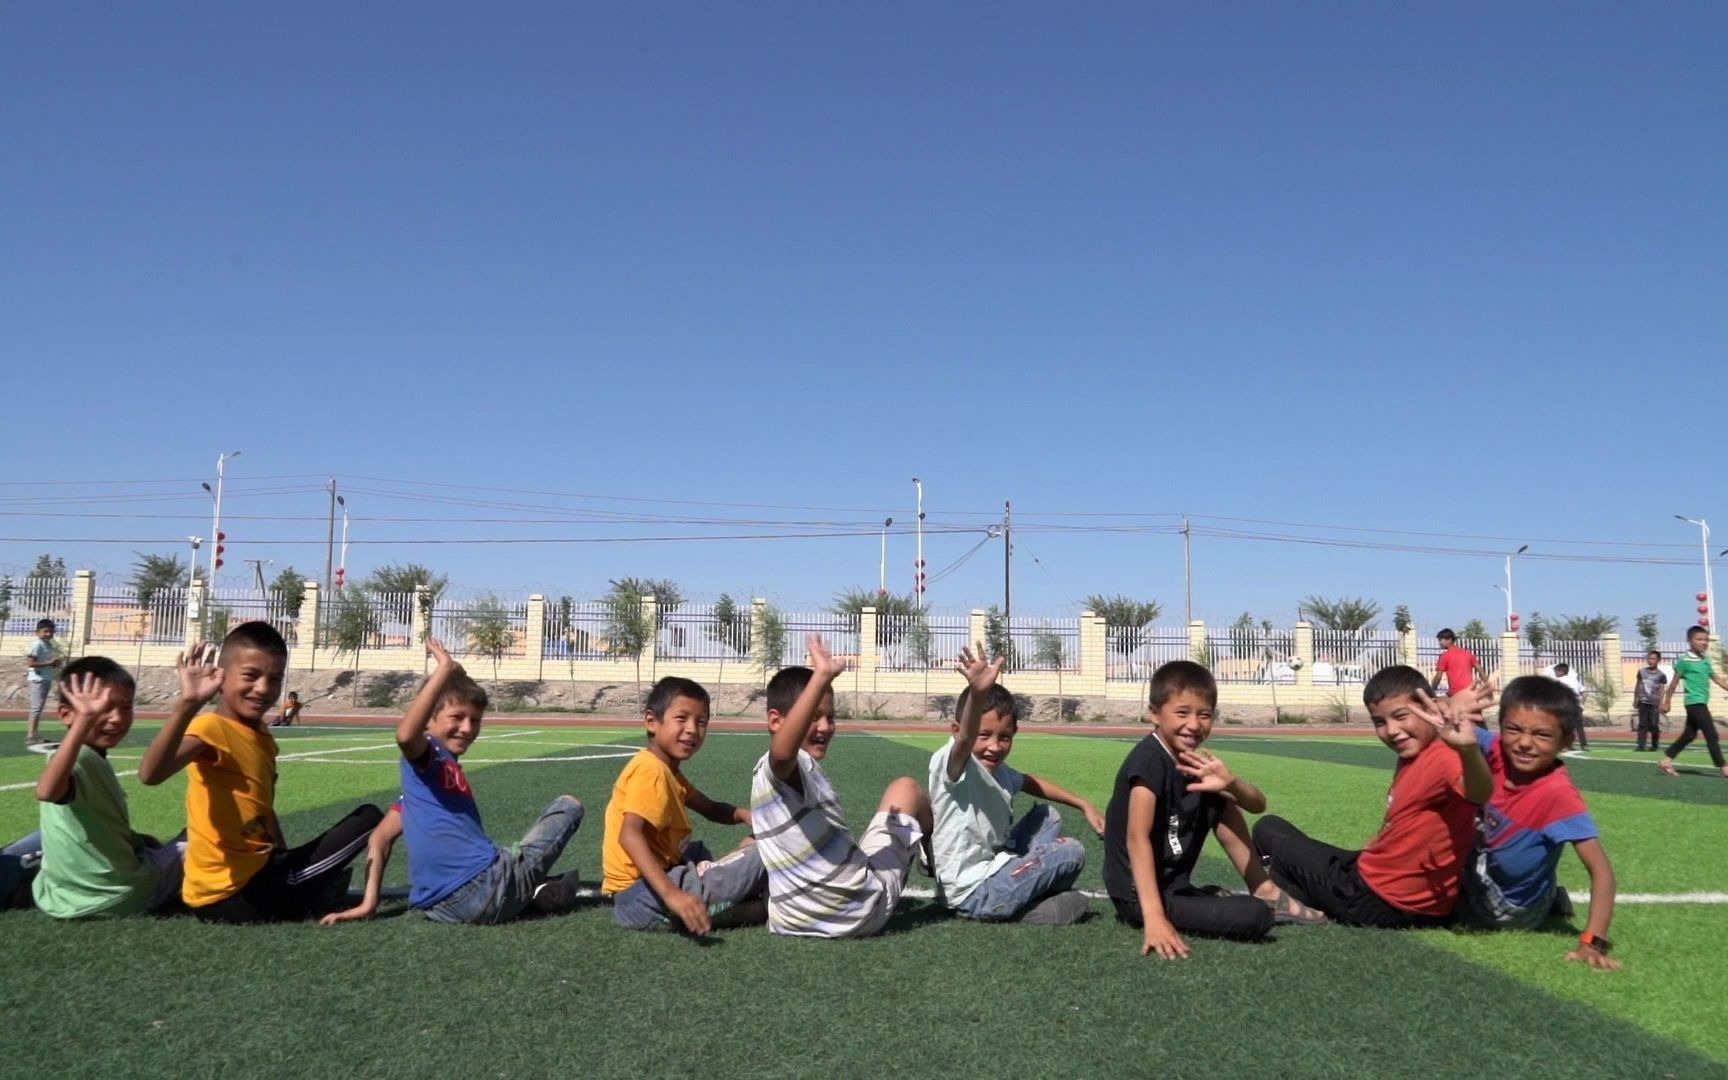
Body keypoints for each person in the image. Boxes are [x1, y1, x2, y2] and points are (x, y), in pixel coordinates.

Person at [322, 638, 584, 925]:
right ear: (427, 722)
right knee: (568, 805)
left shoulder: (422, 791)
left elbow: (380, 838)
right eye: (457, 717)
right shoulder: (429, 756)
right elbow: (406, 736)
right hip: (485, 888)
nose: (467, 728)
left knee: (506, 860)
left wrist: (369, 903)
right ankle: (534, 888)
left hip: (442, 909)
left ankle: (538, 890)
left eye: (475, 720)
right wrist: (444, 669)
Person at [137, 623, 384, 922]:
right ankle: (310, 893)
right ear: (221, 675)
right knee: (370, 818)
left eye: (275, 679)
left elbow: (261, 807)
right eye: (251, 676)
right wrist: (187, 705)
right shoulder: (210, 728)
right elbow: (150, 774)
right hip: (241, 895)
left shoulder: (260, 735)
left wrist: (280, 854)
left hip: (241, 883)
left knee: (289, 863)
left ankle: (301, 881)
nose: (263, 689)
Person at [1104, 660, 1323, 959]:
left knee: (1216, 794)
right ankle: (1224, 900)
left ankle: (1264, 888)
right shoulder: (1149, 760)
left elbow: (1257, 805)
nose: (1194, 724)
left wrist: (1231, 783)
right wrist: (1154, 917)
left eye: (1204, 715)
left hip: (1172, 886)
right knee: (1255, 917)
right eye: (1182, 713)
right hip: (1138, 897)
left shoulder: (1192, 760)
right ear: (1154, 713)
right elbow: (1137, 838)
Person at [1252, 667, 1492, 928]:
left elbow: (1478, 793)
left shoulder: (1446, 756)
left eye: (1401, 716)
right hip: (1375, 876)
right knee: (1272, 826)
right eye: (1380, 722)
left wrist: (1468, 750)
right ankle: (1289, 894)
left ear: (1428, 708)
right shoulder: (1412, 757)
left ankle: (1274, 896)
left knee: (1275, 840)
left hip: (1378, 901)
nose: (1392, 730)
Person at [751, 634, 932, 939]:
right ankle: (938, 860)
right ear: (776, 721)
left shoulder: (769, 783)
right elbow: (782, 755)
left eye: (830, 717)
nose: (825, 727)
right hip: (858, 914)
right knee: (907, 790)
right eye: (813, 716)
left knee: (755, 845)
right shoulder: (787, 764)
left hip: (790, 922)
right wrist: (821, 678)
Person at [928, 646, 1100, 925]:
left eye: (1004, 737)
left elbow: (1029, 781)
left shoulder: (1000, 772)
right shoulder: (955, 765)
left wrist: (1083, 804)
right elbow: (965, 741)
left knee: (1048, 816)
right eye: (984, 735)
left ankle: (1023, 891)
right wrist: (977, 693)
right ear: (958, 730)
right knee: (1071, 851)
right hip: (973, 891)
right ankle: (1023, 906)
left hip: (993, 865)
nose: (995, 747)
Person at [1462, 677, 1620, 970]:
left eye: (1542, 735)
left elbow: (1602, 873)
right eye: (1513, 729)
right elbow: (1449, 726)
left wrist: (1592, 942)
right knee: (1451, 751)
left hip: (1507, 908)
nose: (1524, 743)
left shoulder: (1557, 794)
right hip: (1506, 878)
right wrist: (1455, 706)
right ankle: (1550, 898)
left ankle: (1543, 900)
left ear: (1567, 741)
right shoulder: (1498, 750)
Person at [602, 676, 765, 933]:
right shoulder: (651, 770)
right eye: (682, 718)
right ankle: (722, 906)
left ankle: (716, 891)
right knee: (763, 854)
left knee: (696, 851)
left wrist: (746, 814)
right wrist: (671, 894)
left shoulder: (668, 772)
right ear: (651, 722)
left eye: (701, 722)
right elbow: (629, 834)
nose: (692, 729)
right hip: (644, 896)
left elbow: (710, 808)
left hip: (642, 891)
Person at [32, 658, 185, 918]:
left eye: (125, 707)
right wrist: (84, 722)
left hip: (61, 899)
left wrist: (135, 840)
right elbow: (48, 791)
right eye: (101, 709)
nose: (116, 719)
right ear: (66, 714)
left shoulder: (89, 756)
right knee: (204, 838)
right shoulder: (78, 758)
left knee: (152, 843)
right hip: (120, 895)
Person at [1659, 625, 1728, 778]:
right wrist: (1667, 701)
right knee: (1711, 734)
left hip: (1702, 701)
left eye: (1706, 640)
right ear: (1689, 641)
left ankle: (1666, 760)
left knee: (1689, 735)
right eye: (1699, 639)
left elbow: (1717, 679)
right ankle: (1724, 767)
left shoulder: (1705, 661)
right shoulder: (1684, 661)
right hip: (1694, 702)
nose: (1703, 642)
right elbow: (1674, 683)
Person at [24, 618, 62, 747]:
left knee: (38, 708)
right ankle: (30, 736)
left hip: (45, 678)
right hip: (37, 680)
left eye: (51, 631)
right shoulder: (37, 645)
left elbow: (49, 664)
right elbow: (31, 663)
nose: (49, 634)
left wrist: (55, 664)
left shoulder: (49, 645)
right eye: (45, 631)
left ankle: (34, 735)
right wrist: (49, 663)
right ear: (37, 632)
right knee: (35, 708)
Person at [1430, 629, 1480, 698]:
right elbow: (1480, 670)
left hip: (1455, 693)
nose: (1440, 643)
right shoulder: (1467, 654)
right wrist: (1488, 685)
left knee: (1437, 704)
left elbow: (1438, 677)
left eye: (1441, 640)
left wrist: (1431, 690)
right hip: (1470, 691)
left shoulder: (1444, 656)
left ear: (1449, 640)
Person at [1633, 651, 1667, 753]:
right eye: (1649, 658)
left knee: (1654, 724)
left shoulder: (1661, 675)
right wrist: (1636, 698)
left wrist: (1661, 703)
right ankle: (1641, 745)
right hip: (1643, 701)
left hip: (1654, 703)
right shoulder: (1641, 672)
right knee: (1642, 724)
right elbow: (1638, 685)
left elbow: (1662, 689)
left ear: (1658, 660)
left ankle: (1654, 745)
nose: (1651, 661)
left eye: (1653, 659)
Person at [1550, 663, 1588, 750]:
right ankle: (1584, 745)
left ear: (1562, 671)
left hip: (1565, 707)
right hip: (1577, 707)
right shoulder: (1574, 681)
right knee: (1579, 727)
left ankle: (1566, 745)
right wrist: (1582, 703)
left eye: (1556, 671)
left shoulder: (1558, 681)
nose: (1555, 673)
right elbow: (1584, 693)